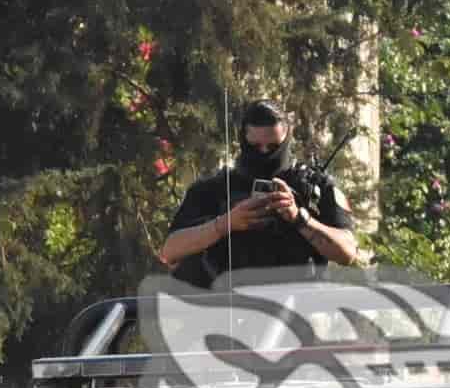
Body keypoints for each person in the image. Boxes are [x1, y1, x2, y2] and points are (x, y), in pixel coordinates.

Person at [156, 100, 364, 288]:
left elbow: (347, 253)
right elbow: (170, 251)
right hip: (227, 313)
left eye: (273, 147)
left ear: (286, 140)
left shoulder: (313, 188)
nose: (264, 153)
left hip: (295, 314)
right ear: (243, 140)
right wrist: (226, 223)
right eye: (255, 147)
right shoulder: (214, 189)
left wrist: (299, 218)